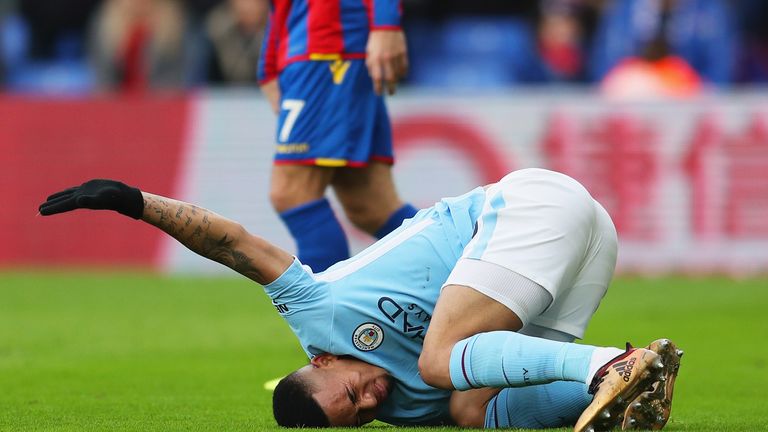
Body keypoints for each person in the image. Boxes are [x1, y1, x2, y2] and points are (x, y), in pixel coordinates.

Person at [38, 168, 682, 430]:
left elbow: (233, 244)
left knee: (440, 361)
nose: (375, 401)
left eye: (352, 394)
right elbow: (471, 400)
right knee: (467, 409)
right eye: (364, 417)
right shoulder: (398, 410)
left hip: (528, 204)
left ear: (321, 362)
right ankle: (637, 370)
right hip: (593, 247)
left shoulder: (314, 311)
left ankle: (604, 366)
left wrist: (133, 203)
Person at [256, 0, 418, 272]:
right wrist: (269, 63)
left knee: (293, 193)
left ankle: (329, 313)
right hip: (311, 48)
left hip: (329, 50)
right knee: (370, 205)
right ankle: (478, 274)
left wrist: (386, 24)